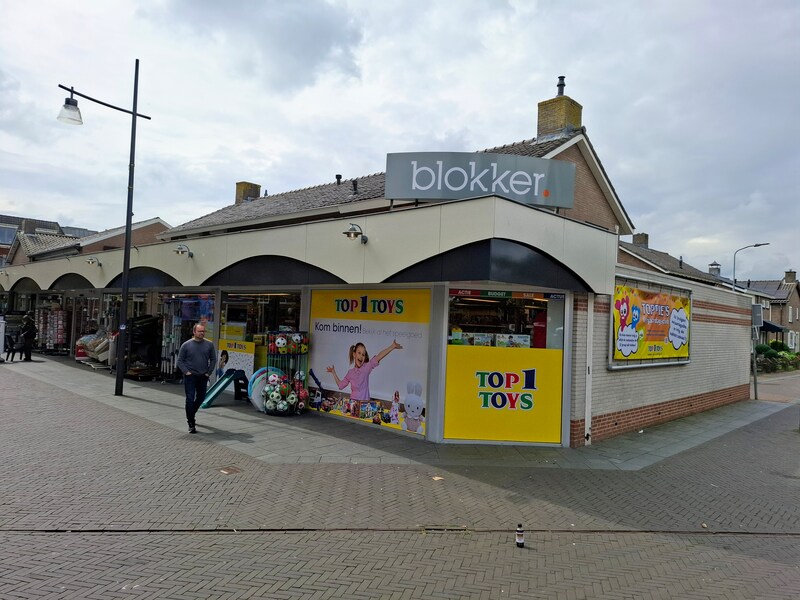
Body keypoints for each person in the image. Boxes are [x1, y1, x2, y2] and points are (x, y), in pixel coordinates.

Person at [327, 339, 402, 415]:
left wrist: (392, 346)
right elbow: (340, 386)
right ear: (354, 354)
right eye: (359, 353)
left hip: (365, 406)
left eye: (363, 354)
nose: (361, 356)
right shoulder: (350, 373)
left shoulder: (366, 367)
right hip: (353, 406)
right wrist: (333, 372)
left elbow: (379, 356)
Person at [176, 322, 216, 434]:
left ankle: (191, 413)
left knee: (201, 398)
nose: (202, 333)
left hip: (203, 376)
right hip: (190, 377)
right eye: (199, 331)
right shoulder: (186, 345)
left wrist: (209, 372)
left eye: (203, 331)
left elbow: (213, 359)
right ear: (194, 332)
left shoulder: (209, 344)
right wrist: (187, 372)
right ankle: (191, 423)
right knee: (189, 399)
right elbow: (180, 361)